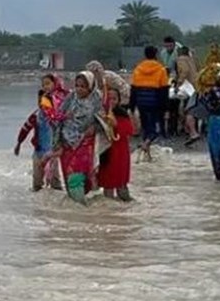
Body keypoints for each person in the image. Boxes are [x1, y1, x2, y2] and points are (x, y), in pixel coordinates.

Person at [52, 71, 105, 204]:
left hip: (85, 143)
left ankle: (83, 209)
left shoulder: (96, 99)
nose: (79, 89)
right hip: (66, 143)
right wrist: (57, 142)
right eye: (77, 86)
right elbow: (58, 118)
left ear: (91, 87)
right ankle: (76, 217)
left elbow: (104, 121)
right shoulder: (70, 98)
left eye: (83, 86)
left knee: (77, 177)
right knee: (69, 177)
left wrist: (95, 128)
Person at [15, 90, 61, 191]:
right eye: (39, 101)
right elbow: (25, 129)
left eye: (44, 101)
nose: (41, 103)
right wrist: (19, 143)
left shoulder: (56, 117)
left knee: (56, 183)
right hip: (38, 152)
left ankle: (57, 204)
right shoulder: (35, 116)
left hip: (52, 153)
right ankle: (37, 204)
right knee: (37, 183)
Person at [129, 46, 169, 155]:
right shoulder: (161, 69)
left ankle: (146, 151)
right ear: (155, 55)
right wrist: (165, 108)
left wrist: (132, 106)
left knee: (145, 126)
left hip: (141, 102)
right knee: (155, 129)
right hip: (155, 102)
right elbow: (164, 90)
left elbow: (133, 88)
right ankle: (146, 145)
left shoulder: (138, 69)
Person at [98, 88, 134, 202]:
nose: (111, 101)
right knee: (107, 187)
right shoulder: (99, 114)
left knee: (121, 186)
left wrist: (115, 124)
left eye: (114, 99)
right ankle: (109, 215)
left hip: (119, 154)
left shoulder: (122, 114)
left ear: (119, 100)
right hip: (105, 153)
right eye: (109, 98)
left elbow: (128, 131)